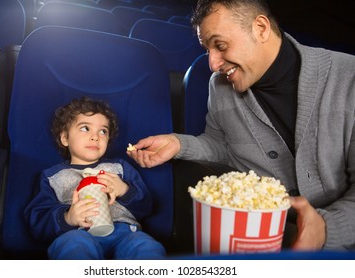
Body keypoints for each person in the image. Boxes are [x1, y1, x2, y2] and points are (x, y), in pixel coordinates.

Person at [127, 0, 355, 251]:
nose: (213, 63)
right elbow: (222, 145)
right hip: (254, 238)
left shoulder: (349, 77)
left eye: (220, 45)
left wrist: (326, 228)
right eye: (207, 49)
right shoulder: (219, 85)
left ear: (260, 28)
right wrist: (179, 143)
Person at [24, 97, 166, 259]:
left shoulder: (119, 168)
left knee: (147, 247)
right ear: (65, 138)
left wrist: (124, 190)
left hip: (125, 233)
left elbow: (146, 208)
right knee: (72, 246)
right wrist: (67, 218)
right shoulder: (52, 177)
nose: (95, 136)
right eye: (85, 128)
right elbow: (37, 221)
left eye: (103, 131)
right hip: (78, 234)